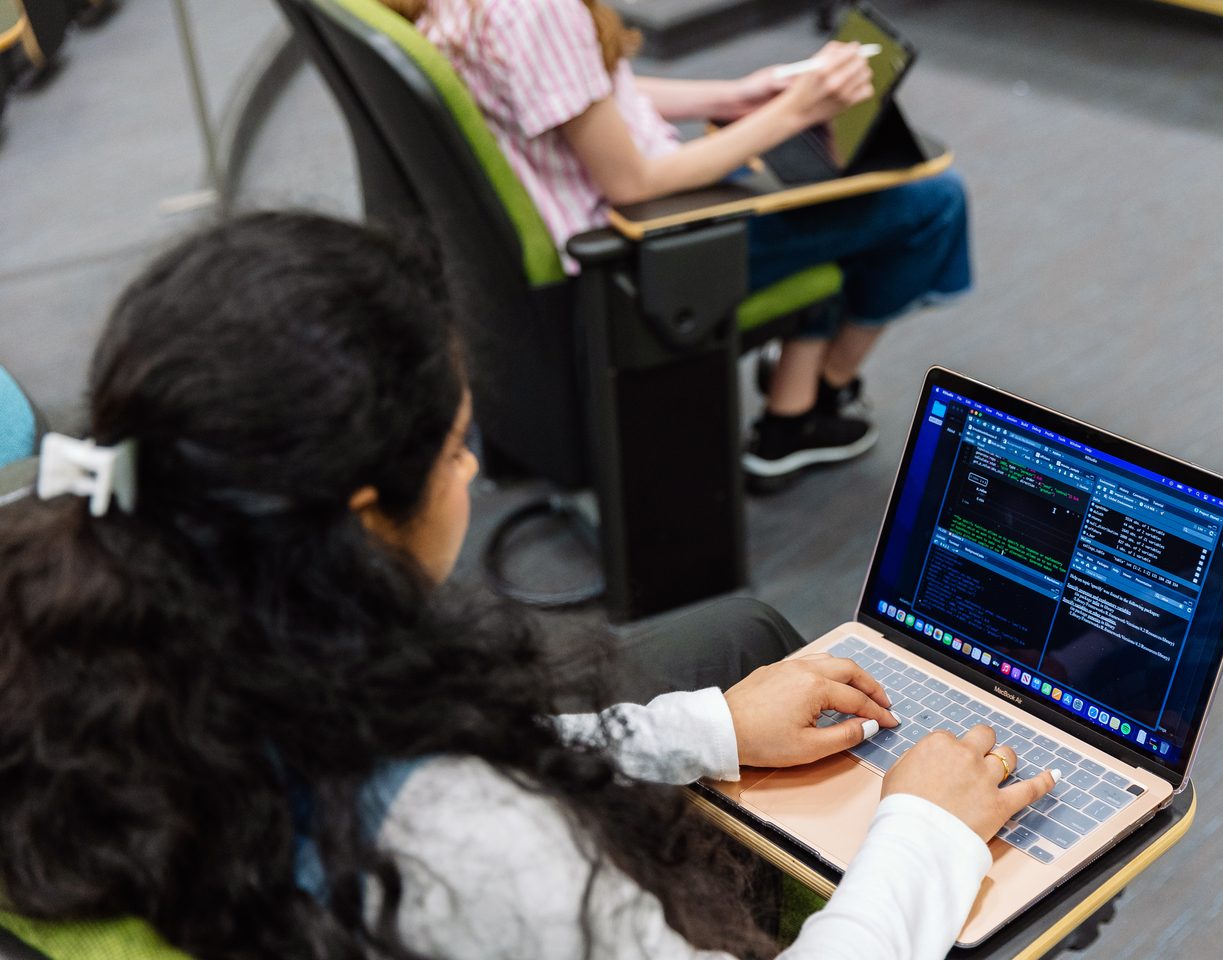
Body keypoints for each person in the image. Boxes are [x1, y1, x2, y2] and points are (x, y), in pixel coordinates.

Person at [0, 213, 1049, 960]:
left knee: (741, 641)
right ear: (365, 516)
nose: (474, 476)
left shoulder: (84, 613)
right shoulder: (469, 854)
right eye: (459, 450)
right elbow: (447, 797)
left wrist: (706, 729)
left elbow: (433, 744)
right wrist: (924, 834)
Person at [385, 0, 972, 490]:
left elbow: (579, 93)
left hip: (606, 235)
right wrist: (796, 110)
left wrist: (735, 96)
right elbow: (632, 182)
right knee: (932, 200)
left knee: (826, 187)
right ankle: (825, 391)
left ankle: (792, 416)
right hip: (645, 249)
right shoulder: (537, 8)